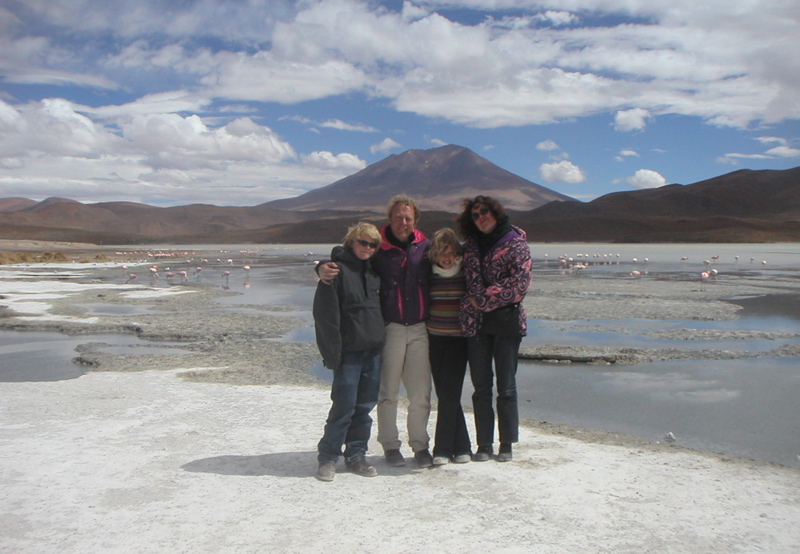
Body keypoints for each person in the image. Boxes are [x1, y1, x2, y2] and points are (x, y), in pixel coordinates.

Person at [318, 195, 433, 468]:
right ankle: (389, 445)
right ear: (389, 219)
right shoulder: (380, 249)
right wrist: (322, 266)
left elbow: (449, 263)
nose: (403, 222)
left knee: (420, 393)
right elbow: (348, 259)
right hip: (389, 328)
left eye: (408, 218)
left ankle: (420, 446)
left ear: (415, 220)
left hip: (418, 328)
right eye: (398, 217)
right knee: (385, 392)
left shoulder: (425, 247)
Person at [456, 196, 532, 463]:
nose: (480, 218)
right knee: (481, 387)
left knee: (507, 387)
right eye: (475, 215)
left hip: (507, 324)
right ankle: (484, 444)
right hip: (476, 326)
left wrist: (482, 298)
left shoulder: (516, 244)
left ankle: (507, 443)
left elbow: (519, 284)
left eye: (484, 212)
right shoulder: (470, 247)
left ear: (497, 213)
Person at [313, 222, 385, 482]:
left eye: (373, 244)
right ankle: (328, 457)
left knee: (364, 407)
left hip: (373, 351)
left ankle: (356, 455)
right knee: (343, 406)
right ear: (351, 242)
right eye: (363, 242)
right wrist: (332, 353)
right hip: (348, 353)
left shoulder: (375, 272)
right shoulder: (335, 272)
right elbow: (325, 316)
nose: (368, 247)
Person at [427, 228, 472, 465]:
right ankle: (463, 447)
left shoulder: (465, 273)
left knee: (450, 394)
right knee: (445, 394)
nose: (448, 258)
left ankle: (442, 449)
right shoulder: (428, 274)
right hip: (434, 339)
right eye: (443, 253)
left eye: (452, 253)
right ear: (435, 253)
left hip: (458, 340)